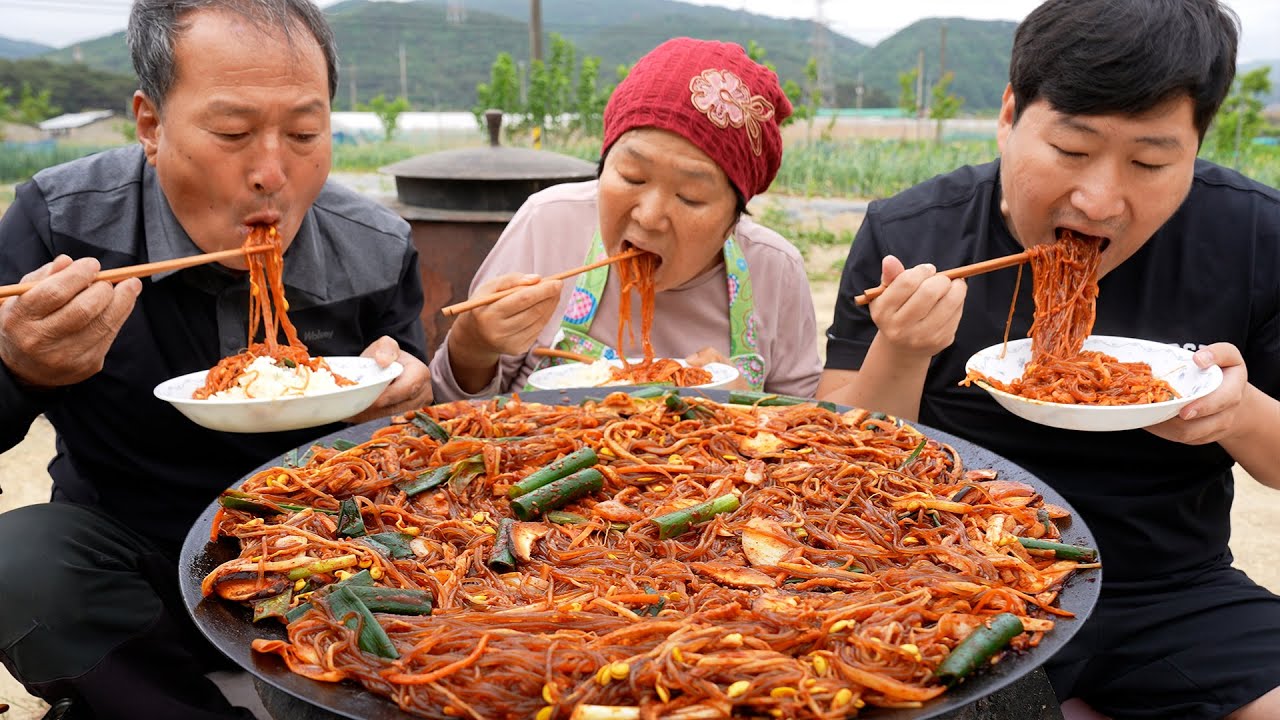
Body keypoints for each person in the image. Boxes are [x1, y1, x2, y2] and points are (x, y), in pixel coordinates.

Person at [820, 0, 1280, 718]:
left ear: (1197, 145)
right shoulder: (910, 230)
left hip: (1169, 589)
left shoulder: (1256, 235)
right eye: (1071, 151)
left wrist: (1238, 410)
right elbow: (834, 461)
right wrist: (901, 350)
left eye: (1150, 161)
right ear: (1009, 116)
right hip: (948, 578)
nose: (1099, 200)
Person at [0, 1, 433, 718]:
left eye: (304, 132)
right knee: (22, 564)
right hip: (129, 548)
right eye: (233, 131)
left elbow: (414, 433)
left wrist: (407, 401)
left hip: (324, 545)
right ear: (150, 125)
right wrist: (18, 366)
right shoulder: (61, 224)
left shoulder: (376, 247)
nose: (272, 172)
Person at [430, 37, 822, 401]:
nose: (649, 218)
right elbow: (446, 417)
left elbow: (807, 433)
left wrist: (751, 409)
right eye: (632, 176)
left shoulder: (774, 269)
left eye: (691, 197)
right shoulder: (548, 222)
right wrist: (473, 344)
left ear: (734, 217)